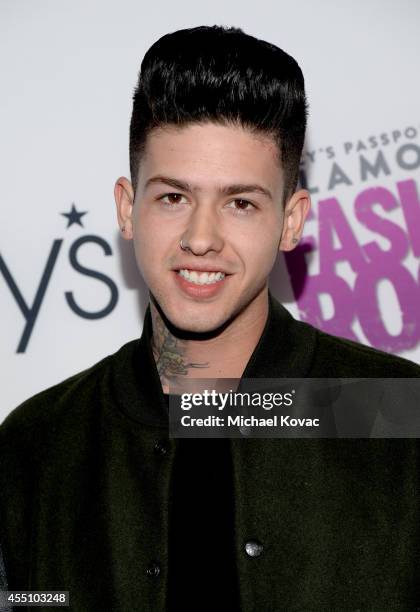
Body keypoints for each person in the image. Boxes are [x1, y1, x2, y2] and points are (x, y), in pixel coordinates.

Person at [1, 24, 420, 611]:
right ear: (128, 209)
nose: (201, 239)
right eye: (174, 197)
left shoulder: (399, 416)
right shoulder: (37, 446)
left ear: (292, 220)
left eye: (241, 203)